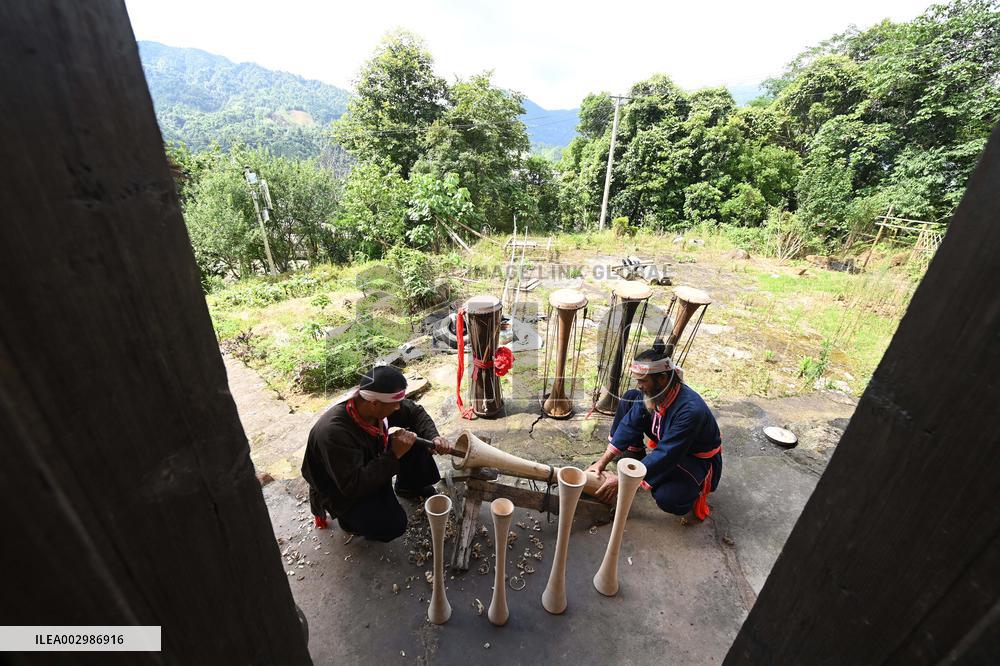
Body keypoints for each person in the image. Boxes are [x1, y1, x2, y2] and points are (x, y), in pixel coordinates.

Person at [301, 365, 451, 542]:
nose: (398, 408)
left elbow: (415, 412)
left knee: (415, 440)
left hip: (367, 463)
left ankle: (407, 487)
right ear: (374, 404)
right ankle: (349, 522)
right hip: (341, 487)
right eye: (395, 404)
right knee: (393, 525)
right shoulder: (333, 433)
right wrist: (393, 455)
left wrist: (434, 437)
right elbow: (352, 485)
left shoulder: (375, 404)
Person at [586, 340, 722, 521]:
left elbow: (667, 453)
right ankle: (636, 457)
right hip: (670, 442)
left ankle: (688, 488)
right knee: (631, 399)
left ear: (663, 379)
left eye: (643, 381)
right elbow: (630, 424)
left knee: (668, 498)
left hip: (691, 457)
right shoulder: (657, 392)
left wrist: (624, 480)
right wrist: (602, 462)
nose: (639, 385)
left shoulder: (690, 411)